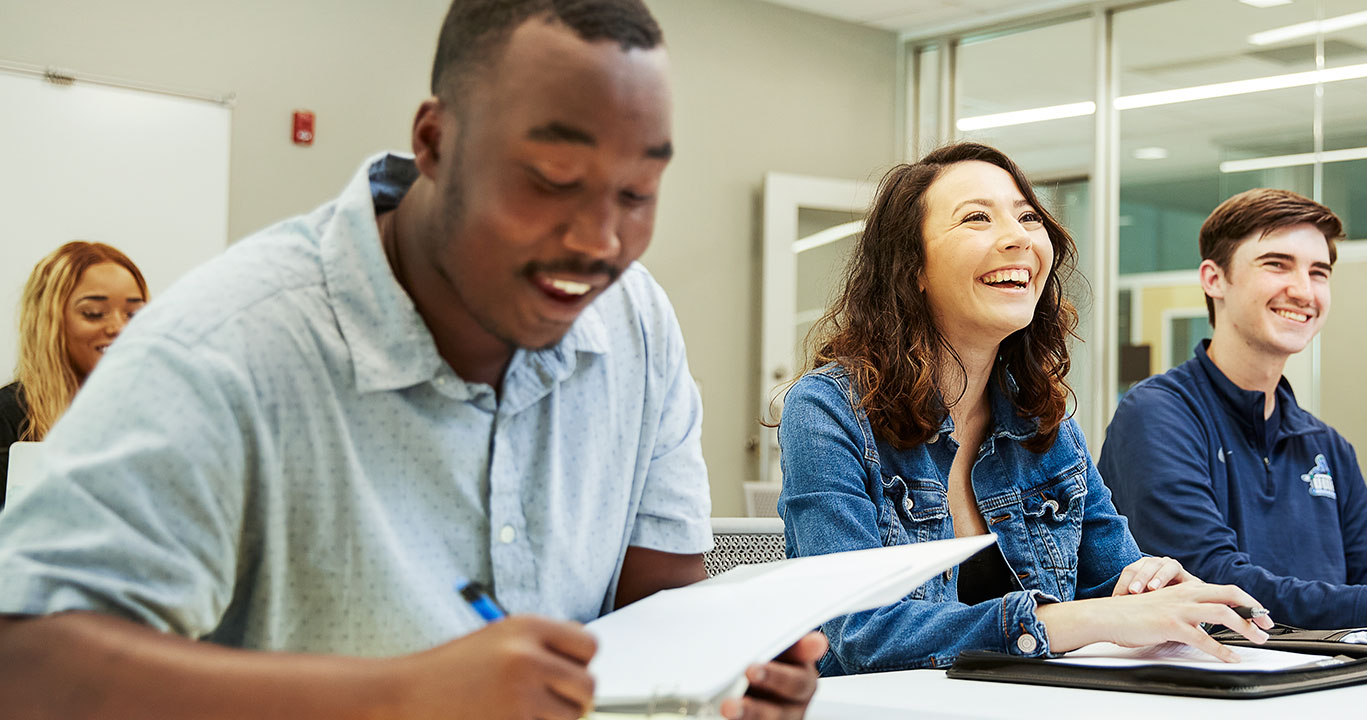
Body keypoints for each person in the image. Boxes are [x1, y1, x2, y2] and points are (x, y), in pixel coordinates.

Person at [0, 2, 823, 718]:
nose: (600, 242)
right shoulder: (229, 344)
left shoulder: (636, 323)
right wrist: (398, 697)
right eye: (550, 178)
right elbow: (25, 663)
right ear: (433, 140)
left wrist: (722, 682)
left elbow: (660, 609)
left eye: (637, 194)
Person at [778, 142, 1274, 676]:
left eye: (1028, 218)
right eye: (976, 218)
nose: (1018, 238)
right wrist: (1070, 622)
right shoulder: (828, 409)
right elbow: (855, 634)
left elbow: (1114, 588)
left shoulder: (1045, 424)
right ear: (911, 268)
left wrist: (1151, 586)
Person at [1101, 188, 1367, 630]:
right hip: (1207, 686)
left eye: (1319, 272)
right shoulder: (1158, 415)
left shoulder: (1327, 447)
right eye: (1276, 264)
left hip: (1328, 682)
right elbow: (1208, 581)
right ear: (1213, 279)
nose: (1302, 290)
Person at [1, 241, 147, 504]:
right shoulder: (8, 418)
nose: (119, 327)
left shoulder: (155, 416)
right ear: (50, 321)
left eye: (133, 315)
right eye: (94, 314)